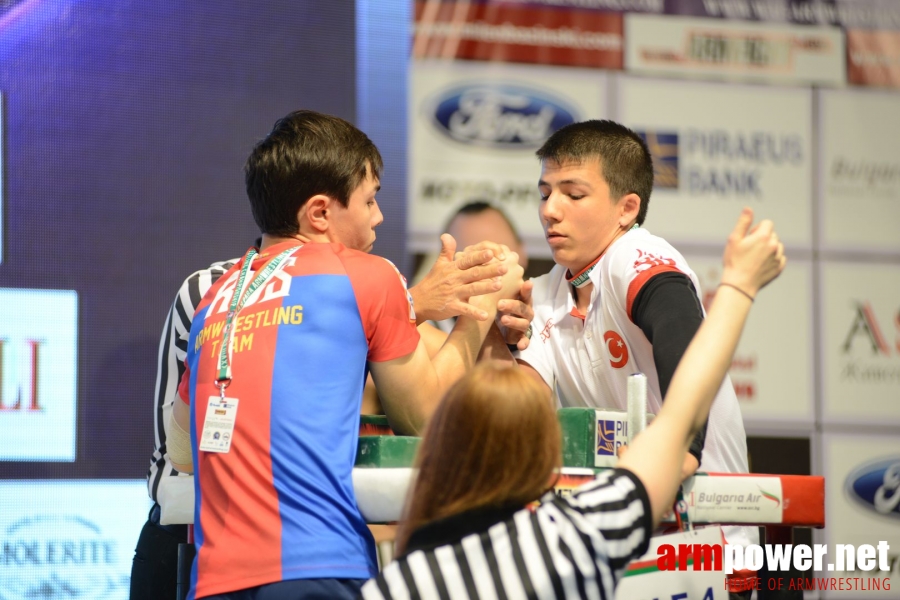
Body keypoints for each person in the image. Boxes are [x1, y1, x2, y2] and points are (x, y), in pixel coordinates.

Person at [164, 110, 524, 600]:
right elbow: (426, 419)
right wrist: (480, 306)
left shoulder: (216, 297)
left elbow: (182, 449)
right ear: (319, 213)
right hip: (317, 570)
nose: (378, 216)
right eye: (370, 200)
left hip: (212, 583)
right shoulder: (367, 275)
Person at [362, 207, 785, 599]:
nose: (551, 209)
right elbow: (680, 420)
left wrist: (478, 317)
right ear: (545, 443)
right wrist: (738, 287)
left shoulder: (398, 586)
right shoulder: (572, 539)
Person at [515, 120, 758, 588]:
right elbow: (520, 408)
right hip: (620, 546)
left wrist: (681, 453)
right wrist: (492, 341)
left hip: (712, 544)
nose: (551, 210)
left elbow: (682, 338)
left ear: (627, 208)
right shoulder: (544, 293)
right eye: (545, 193)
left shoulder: (636, 254)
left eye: (573, 194)